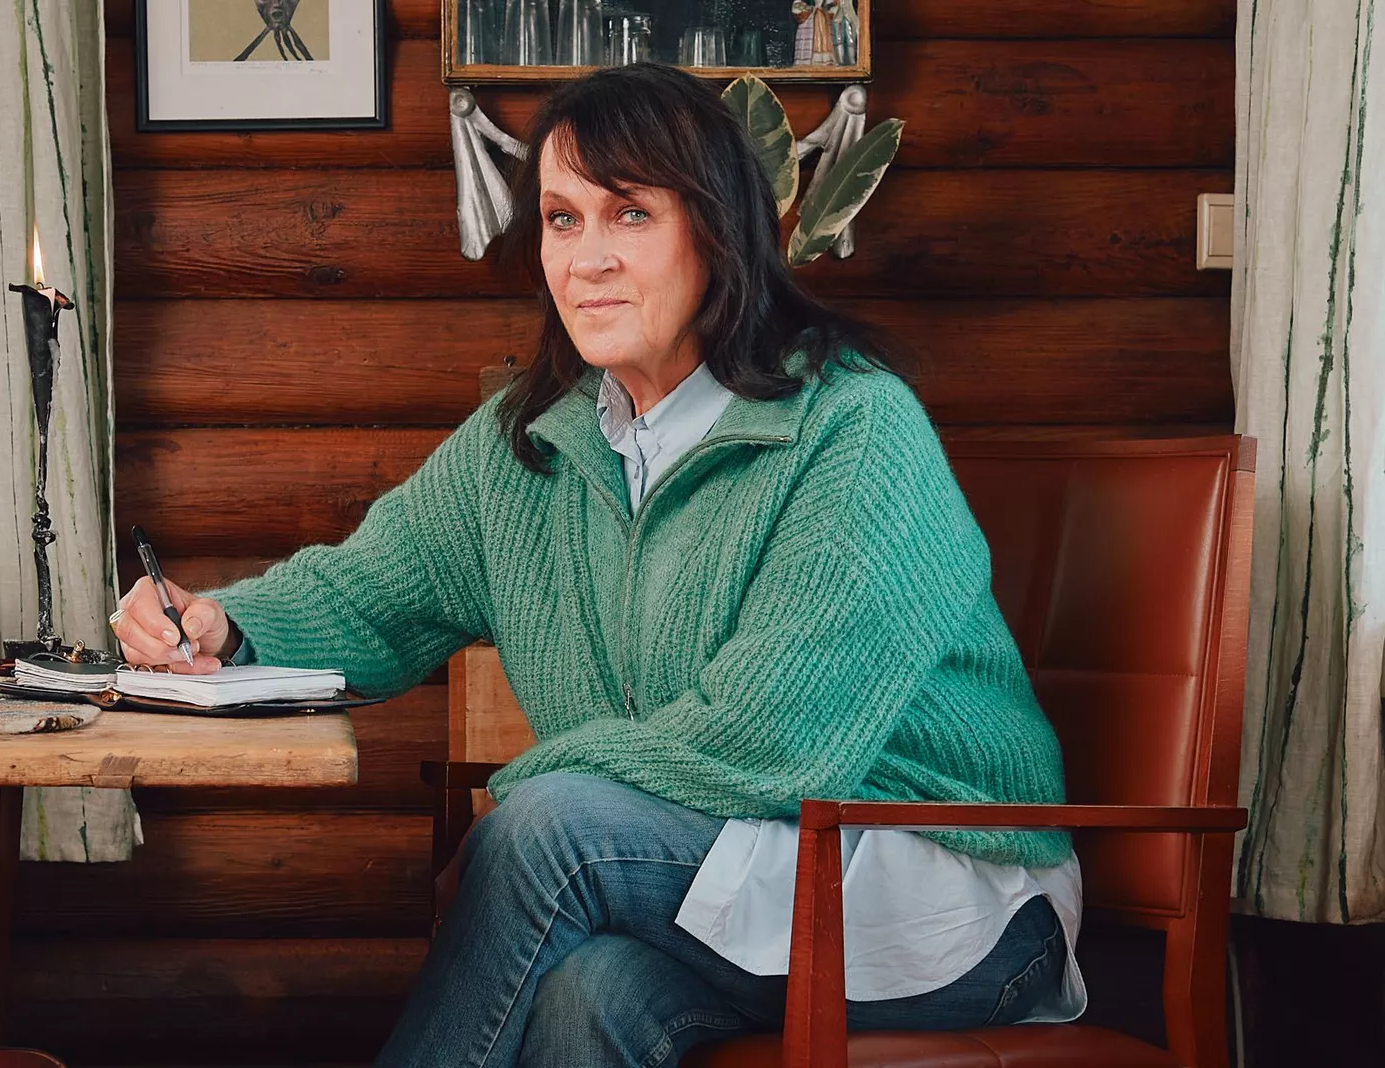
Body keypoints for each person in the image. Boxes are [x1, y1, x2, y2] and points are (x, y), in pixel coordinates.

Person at [109, 62, 1084, 1068]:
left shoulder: (851, 428)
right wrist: (222, 623)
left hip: (939, 891)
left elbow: (765, 744)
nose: (585, 261)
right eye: (562, 220)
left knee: (548, 832)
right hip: (728, 878)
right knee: (589, 994)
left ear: (716, 229)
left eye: (628, 216)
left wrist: (528, 801)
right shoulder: (527, 442)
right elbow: (374, 592)